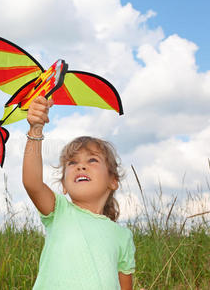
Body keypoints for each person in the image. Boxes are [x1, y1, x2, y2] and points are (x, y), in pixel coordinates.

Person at [23, 96, 135, 289]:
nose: (81, 166)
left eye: (92, 160)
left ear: (113, 181)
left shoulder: (122, 236)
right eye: (72, 163)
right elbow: (32, 183)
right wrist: (35, 130)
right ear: (64, 186)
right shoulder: (60, 211)